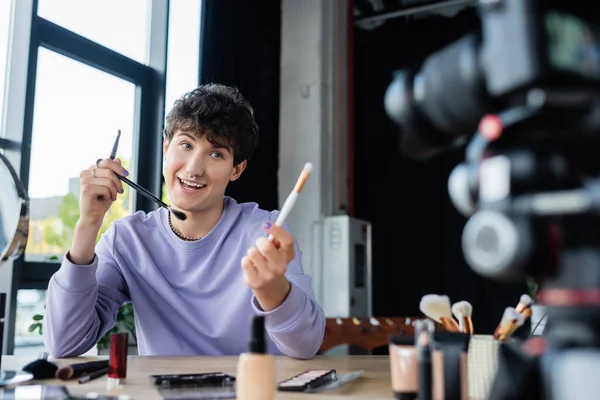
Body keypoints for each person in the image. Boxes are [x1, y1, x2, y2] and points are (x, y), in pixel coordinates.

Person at [42, 84, 326, 359]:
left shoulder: (264, 232)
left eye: (216, 154)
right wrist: (88, 224)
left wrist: (272, 288)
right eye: (186, 145)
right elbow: (64, 343)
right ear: (166, 148)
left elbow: (306, 345)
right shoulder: (127, 240)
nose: (194, 168)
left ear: (236, 169)